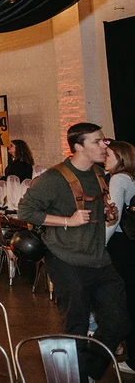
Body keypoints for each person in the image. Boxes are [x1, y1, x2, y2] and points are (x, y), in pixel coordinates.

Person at [18, 123, 128, 381]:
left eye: (105, 141)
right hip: (65, 259)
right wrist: (68, 220)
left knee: (118, 323)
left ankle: (87, 372)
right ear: (78, 147)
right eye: (98, 142)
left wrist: (108, 215)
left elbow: (98, 213)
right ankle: (75, 376)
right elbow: (25, 211)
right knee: (76, 326)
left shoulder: (98, 174)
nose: (105, 146)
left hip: (98, 258)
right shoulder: (54, 178)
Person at [105, 139, 135, 375]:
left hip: (122, 244)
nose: (105, 158)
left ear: (120, 158)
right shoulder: (132, 177)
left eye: (109, 155)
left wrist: (99, 244)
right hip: (131, 242)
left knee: (124, 298)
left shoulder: (118, 178)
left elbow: (113, 220)